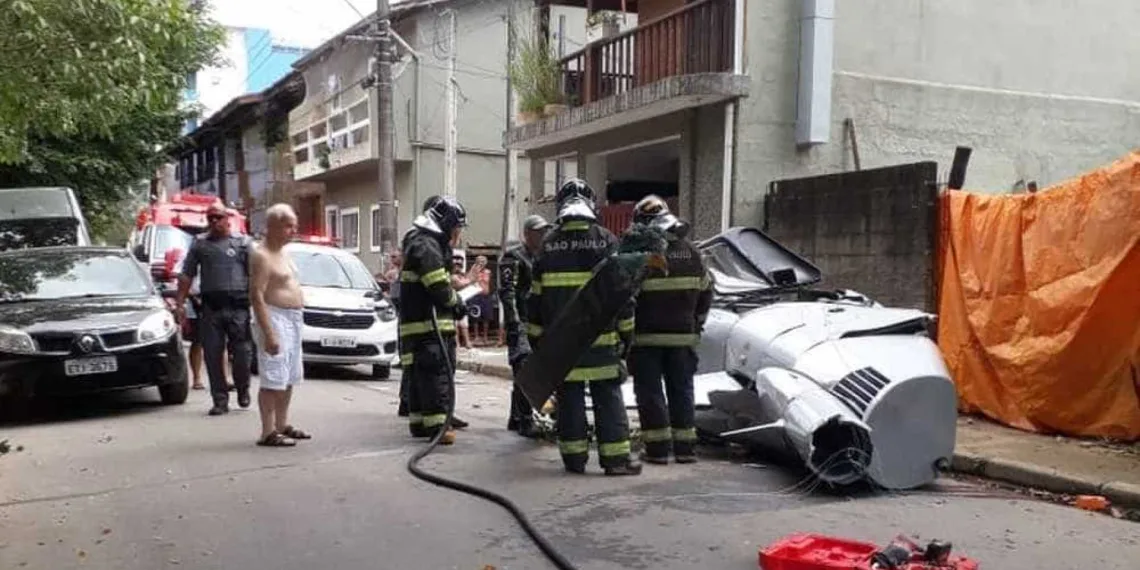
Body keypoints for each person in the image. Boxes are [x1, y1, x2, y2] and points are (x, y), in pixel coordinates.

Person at [527, 179, 642, 476]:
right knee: (608, 398)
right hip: (602, 344)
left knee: (571, 399)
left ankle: (574, 460)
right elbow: (623, 297)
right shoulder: (606, 241)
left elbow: (535, 302)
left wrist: (539, 344)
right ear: (591, 204)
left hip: (563, 346)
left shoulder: (547, 245)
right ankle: (616, 460)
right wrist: (626, 339)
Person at [626, 196, 713, 465]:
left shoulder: (641, 257)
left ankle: (658, 450)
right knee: (682, 390)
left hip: (646, 339)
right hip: (683, 338)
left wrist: (624, 335)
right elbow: (707, 292)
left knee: (650, 392)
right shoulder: (693, 253)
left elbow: (627, 297)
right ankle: (685, 449)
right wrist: (696, 324)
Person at [398, 195, 470, 444]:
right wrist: (458, 303)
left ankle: (420, 422)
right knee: (437, 373)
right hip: (431, 328)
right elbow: (438, 286)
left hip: (420, 327)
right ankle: (438, 426)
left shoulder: (421, 242)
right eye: (457, 228)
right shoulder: (427, 246)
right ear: (448, 224)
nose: (457, 234)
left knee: (422, 376)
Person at [176, 200, 254, 416]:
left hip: (239, 306)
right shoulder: (200, 244)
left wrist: (258, 304)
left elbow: (255, 275)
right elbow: (186, 274)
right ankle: (220, 399)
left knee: (242, 353)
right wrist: (180, 303)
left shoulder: (243, 243)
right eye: (210, 218)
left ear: (227, 218)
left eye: (218, 217)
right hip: (211, 308)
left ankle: (243, 387)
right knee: (212, 354)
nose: (214, 221)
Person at [249, 204, 310, 447]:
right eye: (288, 226)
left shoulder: (284, 253)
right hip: (275, 317)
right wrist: (269, 333)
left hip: (293, 318)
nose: (293, 231)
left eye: (294, 225)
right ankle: (267, 431)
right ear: (272, 226)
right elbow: (257, 296)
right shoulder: (262, 255)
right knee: (273, 376)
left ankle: (282, 424)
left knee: (289, 376)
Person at [498, 214, 551, 439]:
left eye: (544, 232)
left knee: (526, 371)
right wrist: (514, 323)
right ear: (527, 234)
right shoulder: (514, 257)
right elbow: (507, 292)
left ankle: (516, 417)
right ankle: (525, 420)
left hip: (535, 322)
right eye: (538, 232)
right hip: (520, 322)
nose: (543, 236)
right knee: (525, 369)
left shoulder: (542, 257)